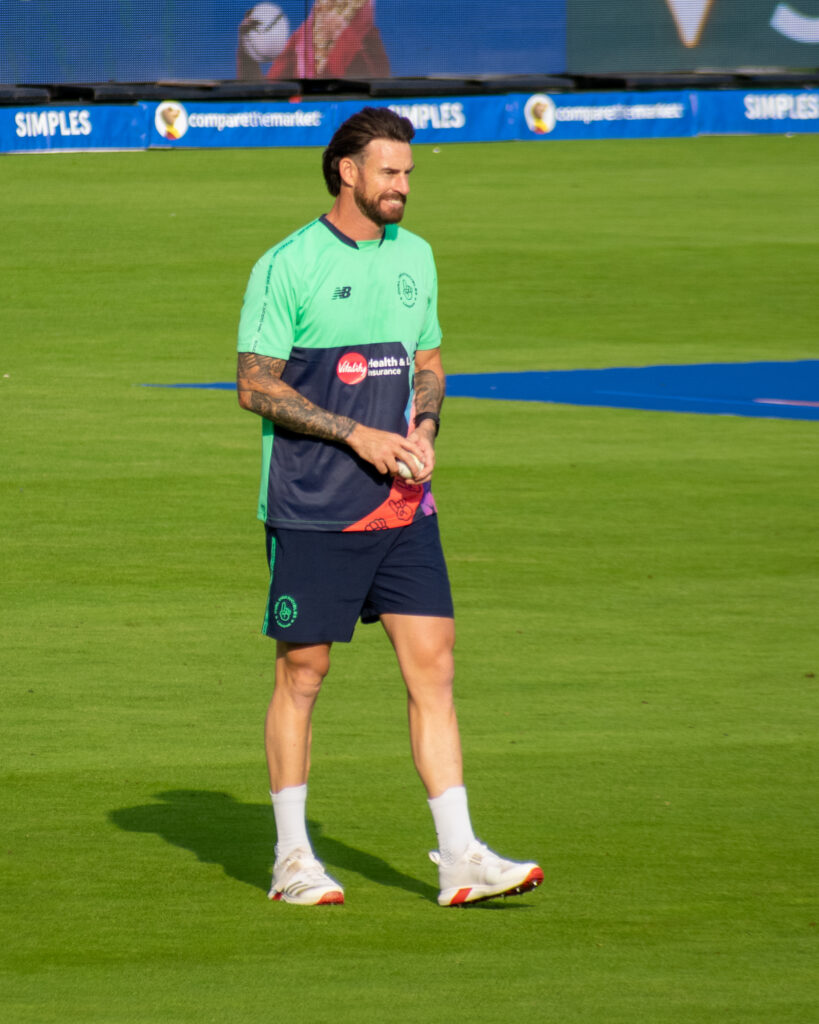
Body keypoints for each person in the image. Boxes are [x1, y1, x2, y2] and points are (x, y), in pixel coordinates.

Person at [236, 107, 543, 907]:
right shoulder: (288, 264)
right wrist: (357, 436)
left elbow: (427, 359)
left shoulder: (417, 255)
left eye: (408, 172)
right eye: (389, 172)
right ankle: (292, 859)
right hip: (312, 505)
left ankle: (459, 856)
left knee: (433, 664)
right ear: (347, 172)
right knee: (303, 673)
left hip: (403, 503)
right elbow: (255, 385)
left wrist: (424, 425)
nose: (402, 185)